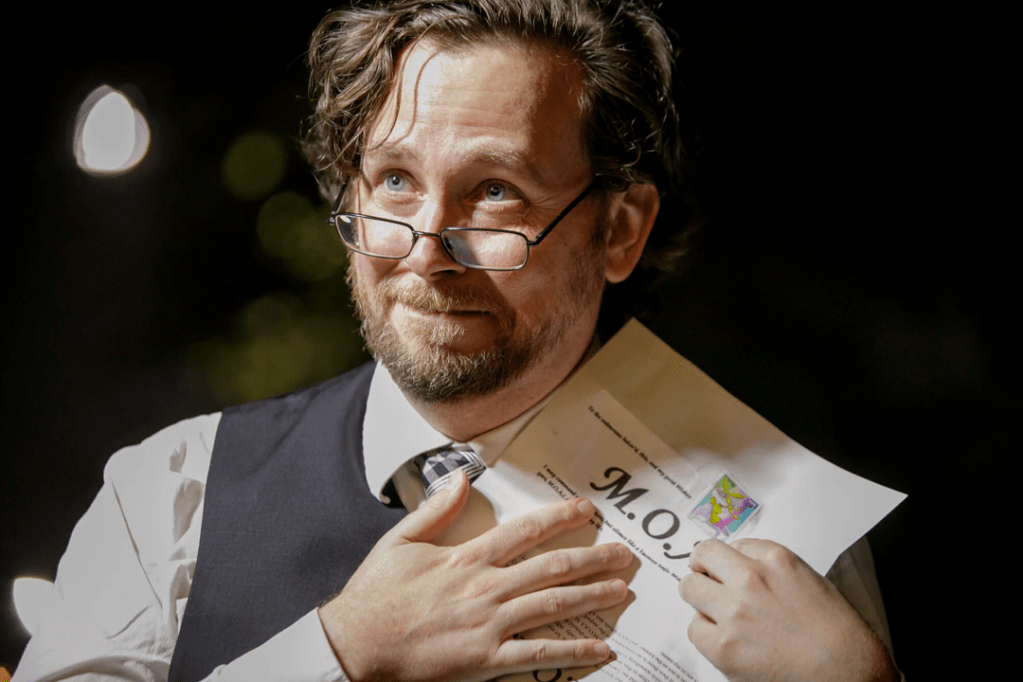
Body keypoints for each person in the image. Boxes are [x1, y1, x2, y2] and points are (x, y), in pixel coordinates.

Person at [14, 1, 899, 681]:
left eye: (495, 192)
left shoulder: (782, 544)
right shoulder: (172, 493)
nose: (426, 249)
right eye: (395, 180)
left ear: (621, 230)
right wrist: (342, 652)